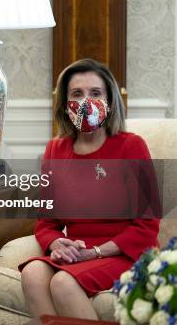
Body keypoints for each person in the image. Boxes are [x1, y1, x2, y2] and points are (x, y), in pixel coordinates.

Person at [19, 58, 160, 320]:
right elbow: (46, 222)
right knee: (32, 273)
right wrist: (55, 242)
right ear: (64, 103)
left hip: (126, 253)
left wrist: (95, 252)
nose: (86, 101)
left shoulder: (131, 146)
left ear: (109, 100)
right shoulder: (55, 150)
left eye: (95, 93)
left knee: (62, 283)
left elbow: (147, 226)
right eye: (77, 94)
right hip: (78, 253)